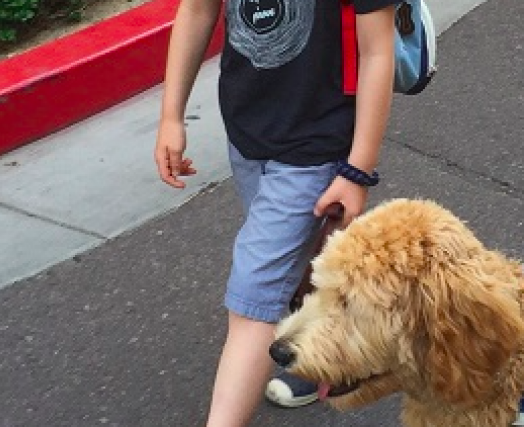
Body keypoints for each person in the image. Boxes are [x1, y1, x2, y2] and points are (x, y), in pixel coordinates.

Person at [152, 0, 401, 426]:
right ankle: (324, 354)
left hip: (316, 146)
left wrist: (357, 170)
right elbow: (197, 10)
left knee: (253, 297)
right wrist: (170, 116)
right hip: (248, 133)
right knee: (300, 262)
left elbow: (378, 51)